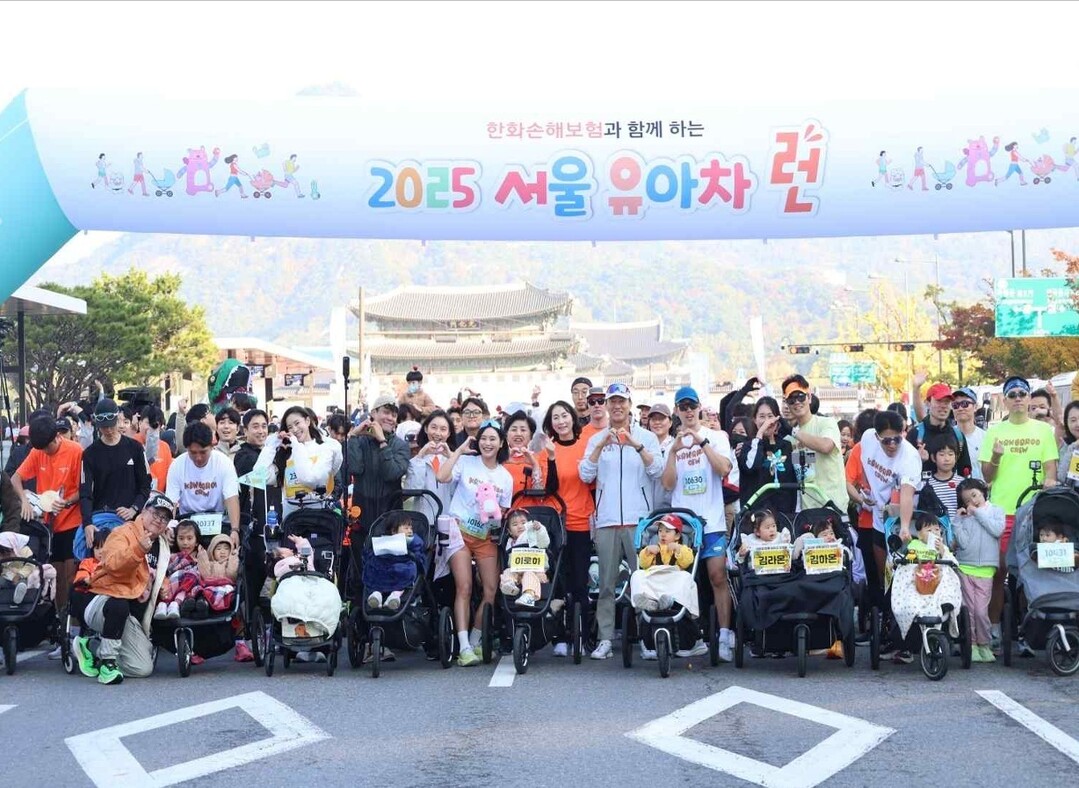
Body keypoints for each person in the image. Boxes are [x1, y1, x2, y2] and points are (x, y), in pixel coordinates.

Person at [580, 383, 662, 660]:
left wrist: (635, 445)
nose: (616, 406)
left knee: (643, 581)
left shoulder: (647, 437)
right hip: (607, 520)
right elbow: (585, 474)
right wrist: (601, 445)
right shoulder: (597, 438)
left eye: (621, 401)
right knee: (605, 584)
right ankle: (605, 638)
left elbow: (657, 470)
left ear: (629, 405)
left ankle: (647, 638)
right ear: (606, 405)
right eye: (612, 402)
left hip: (639, 521)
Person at [979, 375, 1058, 649]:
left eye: (1022, 394)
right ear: (1005, 400)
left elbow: (1051, 470)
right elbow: (986, 476)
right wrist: (996, 456)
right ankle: (994, 629)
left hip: (1033, 511)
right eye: (1011, 395)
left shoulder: (1043, 431)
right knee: (999, 572)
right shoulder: (994, 432)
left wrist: (1050, 482)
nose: (1017, 399)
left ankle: (1030, 631)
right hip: (1002, 512)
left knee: (1031, 573)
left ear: (1028, 398)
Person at [69, 492, 175, 685]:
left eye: (165, 518)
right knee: (118, 605)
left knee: (142, 668)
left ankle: (91, 646)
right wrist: (138, 550)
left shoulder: (162, 545)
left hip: (129, 613)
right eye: (156, 514)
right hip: (99, 597)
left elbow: (158, 575)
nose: (159, 520)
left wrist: (165, 585)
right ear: (144, 512)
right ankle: (107, 664)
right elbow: (112, 564)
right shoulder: (122, 532)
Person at [662, 385, 732, 660]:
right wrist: (673, 452)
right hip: (684, 526)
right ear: (677, 411)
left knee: (717, 575)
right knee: (684, 580)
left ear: (700, 407)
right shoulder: (672, 444)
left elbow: (724, 469)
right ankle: (692, 636)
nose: (688, 411)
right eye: (683, 407)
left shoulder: (717, 437)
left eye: (692, 406)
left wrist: (701, 442)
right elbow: (668, 484)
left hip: (712, 520)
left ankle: (725, 635)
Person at [436, 418, 512, 666]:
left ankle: (476, 640)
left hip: (485, 537)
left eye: (492, 439)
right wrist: (458, 451)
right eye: (483, 439)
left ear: (501, 443)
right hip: (459, 533)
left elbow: (502, 514)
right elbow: (442, 476)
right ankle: (464, 647)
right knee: (465, 587)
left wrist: (493, 521)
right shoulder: (467, 463)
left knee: (491, 589)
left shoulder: (505, 477)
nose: (487, 443)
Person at [11, 415, 84, 642]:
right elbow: (15, 478)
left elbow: (85, 488)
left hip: (73, 521)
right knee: (56, 578)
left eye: (48, 447)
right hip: (49, 525)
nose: (45, 452)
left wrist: (68, 501)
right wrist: (24, 501)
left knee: (71, 575)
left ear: (57, 437)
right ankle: (62, 629)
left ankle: (75, 629)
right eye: (41, 449)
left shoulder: (75, 451)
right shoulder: (38, 451)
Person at [539, 400, 594, 657]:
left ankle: (581, 634)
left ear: (572, 417)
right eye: (555, 418)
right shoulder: (546, 449)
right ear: (550, 424)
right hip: (556, 523)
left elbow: (592, 481)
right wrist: (551, 458)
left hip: (581, 521)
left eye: (564, 415)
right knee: (558, 582)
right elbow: (548, 488)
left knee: (579, 582)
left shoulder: (586, 445)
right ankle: (559, 635)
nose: (561, 421)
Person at [857, 410, 922, 593]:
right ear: (877, 436)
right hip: (878, 515)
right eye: (886, 441)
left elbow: (907, 495)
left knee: (901, 571)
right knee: (883, 574)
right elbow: (865, 461)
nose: (892, 445)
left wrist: (904, 527)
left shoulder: (910, 457)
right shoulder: (868, 438)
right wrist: (866, 485)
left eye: (897, 439)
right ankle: (884, 602)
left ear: (903, 433)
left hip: (898, 517)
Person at [79, 398, 152, 538]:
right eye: (103, 427)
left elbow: (145, 485)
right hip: (101, 520)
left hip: (129, 521)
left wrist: (134, 508)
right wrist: (87, 523)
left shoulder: (135, 448)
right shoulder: (90, 454)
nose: (108, 430)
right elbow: (85, 492)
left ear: (118, 419)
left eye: (111, 425)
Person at [952, 478, 1004, 663]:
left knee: (981, 611)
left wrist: (978, 513)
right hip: (965, 567)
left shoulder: (996, 511)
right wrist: (957, 521)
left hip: (986, 569)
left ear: (983, 492)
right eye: (967, 500)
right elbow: (963, 543)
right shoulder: (966, 517)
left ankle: (984, 643)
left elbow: (997, 530)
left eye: (974, 495)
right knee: (969, 610)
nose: (972, 501)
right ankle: (971, 644)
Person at [259, 406, 342, 520]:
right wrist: (272, 445)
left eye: (297, 423)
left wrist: (297, 446)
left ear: (307, 421)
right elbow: (261, 476)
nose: (294, 429)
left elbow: (311, 479)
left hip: (320, 519)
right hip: (291, 520)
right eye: (290, 427)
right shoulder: (285, 452)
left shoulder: (326, 447)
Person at [782, 375, 849, 511]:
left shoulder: (826, 423)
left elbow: (826, 446)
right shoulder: (789, 440)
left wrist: (794, 432)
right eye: (791, 399)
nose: (797, 402)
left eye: (801, 397)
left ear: (809, 398)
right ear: (787, 404)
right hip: (807, 510)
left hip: (833, 506)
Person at [346, 395, 410, 533]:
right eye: (386, 412)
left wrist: (382, 442)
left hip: (391, 519)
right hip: (361, 516)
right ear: (373, 413)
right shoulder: (360, 441)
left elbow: (391, 474)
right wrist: (353, 436)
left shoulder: (401, 445)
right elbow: (354, 469)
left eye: (394, 415)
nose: (390, 418)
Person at [165, 423, 242, 532]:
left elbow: (231, 498)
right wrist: (169, 527)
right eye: (193, 453)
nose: (198, 458)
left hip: (218, 522)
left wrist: (234, 530)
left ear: (212, 446)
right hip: (187, 523)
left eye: (203, 452)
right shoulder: (177, 465)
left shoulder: (224, 463)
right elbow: (171, 501)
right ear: (187, 449)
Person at [738, 396, 797, 514]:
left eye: (770, 416)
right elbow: (751, 466)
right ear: (754, 420)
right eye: (762, 416)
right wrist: (760, 433)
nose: (767, 421)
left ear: (777, 419)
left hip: (784, 515)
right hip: (757, 516)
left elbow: (796, 475)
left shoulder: (787, 446)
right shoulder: (747, 447)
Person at [405, 409, 459, 527]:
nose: (438, 433)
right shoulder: (416, 461)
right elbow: (412, 490)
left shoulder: (455, 460)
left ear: (449, 433)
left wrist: (451, 457)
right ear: (426, 429)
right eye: (433, 427)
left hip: (449, 521)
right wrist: (420, 455)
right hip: (423, 522)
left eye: (443, 429)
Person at [907, 382, 972, 477]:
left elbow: (965, 473)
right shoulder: (915, 434)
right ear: (928, 403)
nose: (943, 406)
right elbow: (903, 472)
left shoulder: (958, 435)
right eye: (939, 401)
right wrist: (917, 460)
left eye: (947, 402)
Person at [363, 511, 425, 610]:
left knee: (409, 568)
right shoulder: (383, 541)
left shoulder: (412, 542)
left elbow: (419, 555)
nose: (410, 531)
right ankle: (376, 594)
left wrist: (412, 543)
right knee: (372, 565)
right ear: (394, 531)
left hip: (401, 569)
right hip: (383, 570)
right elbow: (369, 553)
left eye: (411, 528)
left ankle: (395, 596)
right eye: (406, 528)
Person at [154, 520, 206, 620]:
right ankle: (164, 605)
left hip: (190, 589)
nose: (185, 543)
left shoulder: (201, 557)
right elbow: (164, 571)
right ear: (176, 540)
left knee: (193, 575)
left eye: (189, 538)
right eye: (181, 538)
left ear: (196, 542)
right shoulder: (171, 556)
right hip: (171, 585)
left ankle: (177, 604)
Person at [499, 509, 550, 607]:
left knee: (528, 574)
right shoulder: (510, 543)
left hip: (536, 572)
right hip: (517, 571)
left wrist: (539, 529)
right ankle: (509, 585)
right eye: (515, 524)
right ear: (509, 531)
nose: (520, 526)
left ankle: (529, 596)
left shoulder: (533, 536)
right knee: (507, 571)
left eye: (523, 523)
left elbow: (544, 542)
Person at [503, 410, 546, 495]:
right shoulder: (497, 459)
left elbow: (540, 496)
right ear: (506, 434)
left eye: (523, 430)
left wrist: (535, 466)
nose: (518, 434)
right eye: (514, 430)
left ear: (531, 436)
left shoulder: (540, 459)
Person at [922, 433, 963, 520]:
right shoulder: (927, 485)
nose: (947, 459)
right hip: (937, 527)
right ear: (933, 458)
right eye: (942, 454)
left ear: (956, 457)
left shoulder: (962, 483)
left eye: (950, 454)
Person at [197, 533, 240, 613]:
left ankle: (213, 605)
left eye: (226, 549)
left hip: (226, 587)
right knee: (203, 591)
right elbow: (206, 575)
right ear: (212, 551)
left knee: (228, 591)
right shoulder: (210, 564)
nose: (222, 552)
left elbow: (232, 575)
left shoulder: (229, 563)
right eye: (218, 549)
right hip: (210, 586)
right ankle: (202, 606)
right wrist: (202, 556)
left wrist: (233, 557)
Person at [951, 387, 987, 482]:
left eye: (965, 404)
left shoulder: (986, 437)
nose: (960, 408)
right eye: (955, 405)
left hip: (980, 489)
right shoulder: (946, 437)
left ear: (975, 407)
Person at [648, 403, 676, 510]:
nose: (657, 422)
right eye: (653, 419)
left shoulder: (676, 445)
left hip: (670, 508)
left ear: (670, 422)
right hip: (646, 509)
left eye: (661, 419)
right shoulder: (644, 445)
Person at [1057, 399, 1079, 489]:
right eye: (1073, 420)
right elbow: (1061, 478)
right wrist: (1073, 447)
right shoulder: (1066, 446)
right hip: (1072, 496)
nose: (1078, 424)